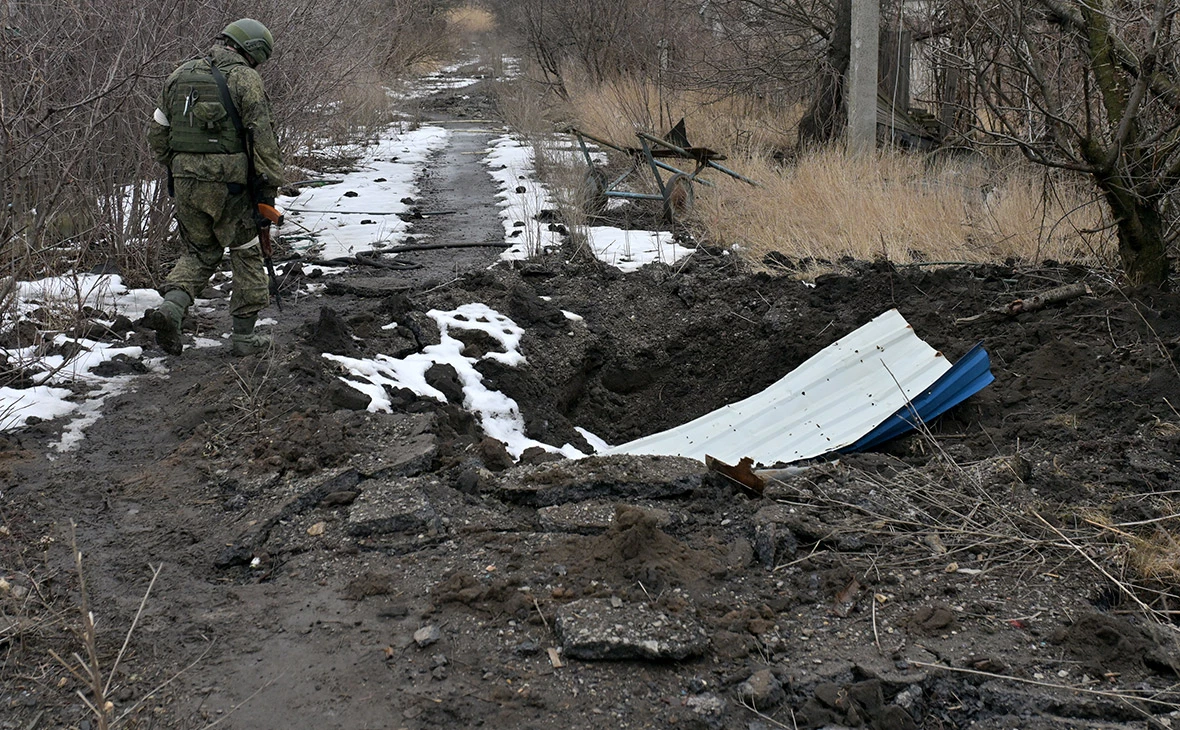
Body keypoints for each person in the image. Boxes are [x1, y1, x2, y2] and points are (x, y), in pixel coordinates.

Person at [145, 18, 284, 356]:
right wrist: (267, 188)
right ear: (252, 51)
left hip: (185, 181)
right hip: (231, 185)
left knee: (199, 252)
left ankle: (171, 309)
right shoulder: (245, 78)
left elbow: (158, 132)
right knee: (246, 251)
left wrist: (181, 167)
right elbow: (263, 138)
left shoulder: (179, 75)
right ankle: (244, 339)